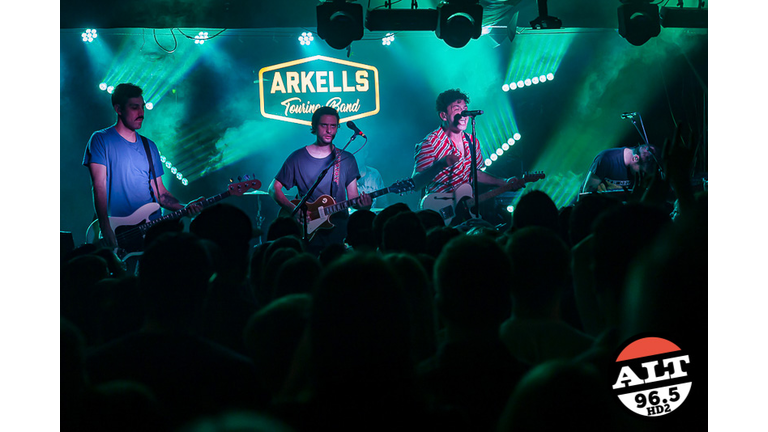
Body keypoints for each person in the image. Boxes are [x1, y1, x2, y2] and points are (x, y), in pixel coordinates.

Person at [83, 83, 200, 249]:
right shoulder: (101, 139)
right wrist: (104, 226)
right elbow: (98, 185)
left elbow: (161, 194)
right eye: (134, 107)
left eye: (142, 107)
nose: (141, 113)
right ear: (118, 109)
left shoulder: (149, 146)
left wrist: (185, 207)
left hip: (151, 230)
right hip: (119, 230)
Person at [268, 106, 371, 255]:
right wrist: (293, 210)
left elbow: (353, 198)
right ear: (315, 126)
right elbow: (273, 189)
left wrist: (364, 206)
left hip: (338, 233)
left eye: (333, 126)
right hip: (306, 231)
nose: (329, 130)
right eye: (324, 125)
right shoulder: (298, 157)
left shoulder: (347, 158)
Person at [413, 89, 516, 209]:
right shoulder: (430, 143)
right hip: (439, 211)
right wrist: (439, 165)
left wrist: (504, 182)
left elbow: (475, 174)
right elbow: (416, 182)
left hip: (464, 209)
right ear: (443, 115)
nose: (463, 115)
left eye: (465, 110)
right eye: (457, 109)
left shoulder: (472, 141)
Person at [581, 143, 660, 193]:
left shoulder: (636, 168)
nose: (643, 175)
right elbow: (587, 191)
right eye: (642, 171)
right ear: (635, 158)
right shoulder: (606, 159)